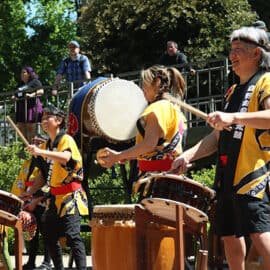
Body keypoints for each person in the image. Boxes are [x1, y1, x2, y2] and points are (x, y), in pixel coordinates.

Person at [171, 26, 270, 270]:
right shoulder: (232, 91)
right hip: (227, 174)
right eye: (231, 50)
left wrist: (234, 118)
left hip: (252, 172)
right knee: (229, 235)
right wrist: (187, 155)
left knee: (259, 231)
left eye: (238, 50)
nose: (232, 56)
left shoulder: (266, 81)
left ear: (257, 53)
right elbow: (215, 137)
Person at [97, 65, 187, 190]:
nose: (142, 89)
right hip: (171, 177)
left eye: (144, 84)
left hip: (157, 179)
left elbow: (149, 144)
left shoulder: (156, 109)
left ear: (157, 82)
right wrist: (128, 155)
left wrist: (118, 155)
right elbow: (160, 148)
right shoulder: (174, 108)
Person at [21, 105, 89, 270]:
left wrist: (40, 152)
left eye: (48, 117)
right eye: (42, 118)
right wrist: (29, 192)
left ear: (59, 120)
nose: (43, 121)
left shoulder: (66, 139)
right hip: (54, 199)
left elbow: (66, 158)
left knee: (73, 237)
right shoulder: (45, 146)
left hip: (70, 197)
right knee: (50, 237)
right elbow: (43, 176)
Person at [11, 137, 52, 270]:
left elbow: (49, 185)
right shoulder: (28, 163)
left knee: (46, 232)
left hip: (45, 202)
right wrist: (19, 200)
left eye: (38, 143)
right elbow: (20, 182)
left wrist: (36, 200)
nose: (34, 145)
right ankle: (31, 261)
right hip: (28, 202)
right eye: (33, 143)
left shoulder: (48, 163)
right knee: (32, 232)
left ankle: (47, 261)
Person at [13, 66, 44, 142]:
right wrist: (14, 97)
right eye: (21, 72)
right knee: (21, 127)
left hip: (31, 107)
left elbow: (41, 91)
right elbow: (14, 93)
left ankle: (32, 147)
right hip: (21, 108)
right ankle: (25, 147)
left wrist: (32, 95)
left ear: (29, 74)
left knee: (30, 128)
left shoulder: (35, 81)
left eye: (24, 72)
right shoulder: (20, 84)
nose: (22, 74)